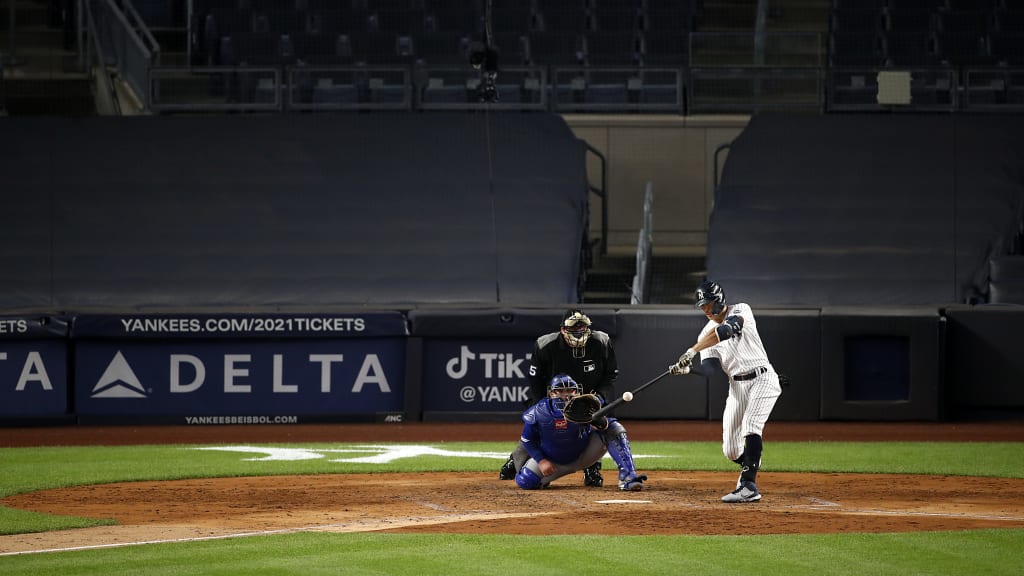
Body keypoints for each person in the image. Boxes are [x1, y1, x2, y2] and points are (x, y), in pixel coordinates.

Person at [669, 280, 782, 503]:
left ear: (719, 300)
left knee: (751, 426)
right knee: (730, 450)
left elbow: (727, 330)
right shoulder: (705, 334)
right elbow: (710, 369)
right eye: (702, 306)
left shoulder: (741, 310)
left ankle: (749, 485)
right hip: (737, 386)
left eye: (709, 304)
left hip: (762, 378)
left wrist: (692, 350)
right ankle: (751, 463)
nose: (706, 310)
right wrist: (689, 370)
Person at [499, 308, 619, 487]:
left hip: (589, 398)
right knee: (539, 428)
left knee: (593, 427)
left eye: (582, 328)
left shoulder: (602, 341)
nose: (578, 332)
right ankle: (516, 459)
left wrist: (599, 398)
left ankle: (592, 468)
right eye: (573, 329)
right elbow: (535, 378)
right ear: (563, 329)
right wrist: (543, 405)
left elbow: (610, 375)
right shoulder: (545, 344)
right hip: (555, 398)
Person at [511, 373, 646, 491]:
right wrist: (541, 461)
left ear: (577, 391)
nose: (566, 394)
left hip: (584, 455)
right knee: (526, 481)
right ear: (551, 393)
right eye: (561, 391)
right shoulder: (539, 412)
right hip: (553, 462)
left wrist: (601, 423)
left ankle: (628, 476)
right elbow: (527, 440)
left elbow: (606, 426)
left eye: (571, 390)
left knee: (615, 428)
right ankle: (542, 479)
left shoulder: (585, 406)